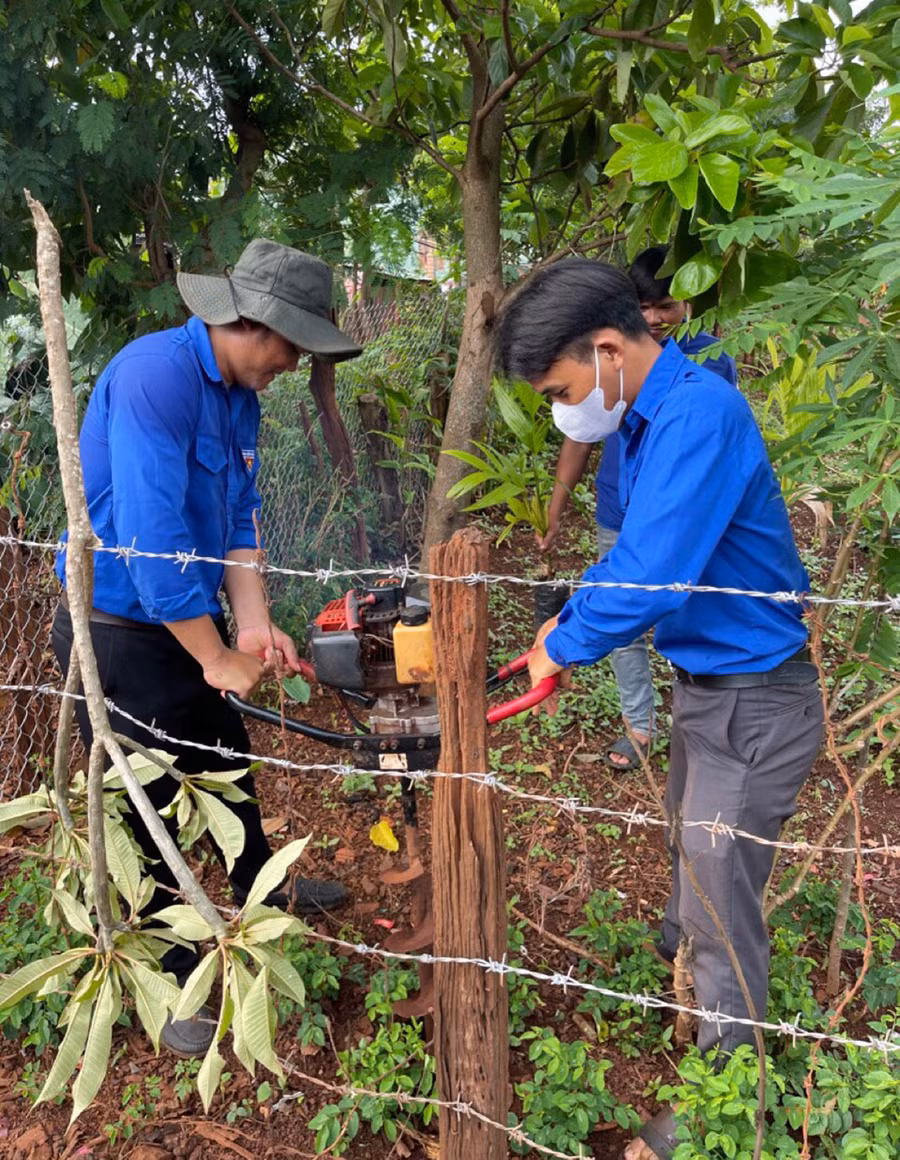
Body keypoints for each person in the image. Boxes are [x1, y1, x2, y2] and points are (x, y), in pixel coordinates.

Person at [495, 258, 823, 1160]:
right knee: (692, 863)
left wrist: (562, 645)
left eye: (563, 388)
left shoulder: (698, 414)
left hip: (758, 701)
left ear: (608, 349)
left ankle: (727, 1101)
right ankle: (686, 981)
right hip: (706, 690)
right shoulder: (642, 423)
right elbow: (631, 553)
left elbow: (650, 574)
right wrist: (566, 616)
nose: (566, 410)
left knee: (720, 904)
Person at [52, 239, 363, 1055]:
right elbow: (153, 547)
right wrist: (214, 656)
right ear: (251, 323)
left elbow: (237, 520)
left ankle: (263, 892)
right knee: (146, 803)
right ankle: (175, 976)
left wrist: (251, 624)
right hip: (118, 630)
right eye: (293, 344)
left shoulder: (238, 395)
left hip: (186, 627)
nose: (294, 364)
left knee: (226, 766)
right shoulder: (156, 376)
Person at [537, 245, 737, 770]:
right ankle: (640, 727)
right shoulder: (615, 363)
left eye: (664, 305)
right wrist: (558, 506)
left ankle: (693, 714)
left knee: (671, 604)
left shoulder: (705, 375)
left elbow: (655, 571)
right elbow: (582, 432)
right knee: (626, 624)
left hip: (672, 515)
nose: (653, 318)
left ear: (688, 300)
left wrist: (564, 641)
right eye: (642, 306)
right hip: (618, 505)